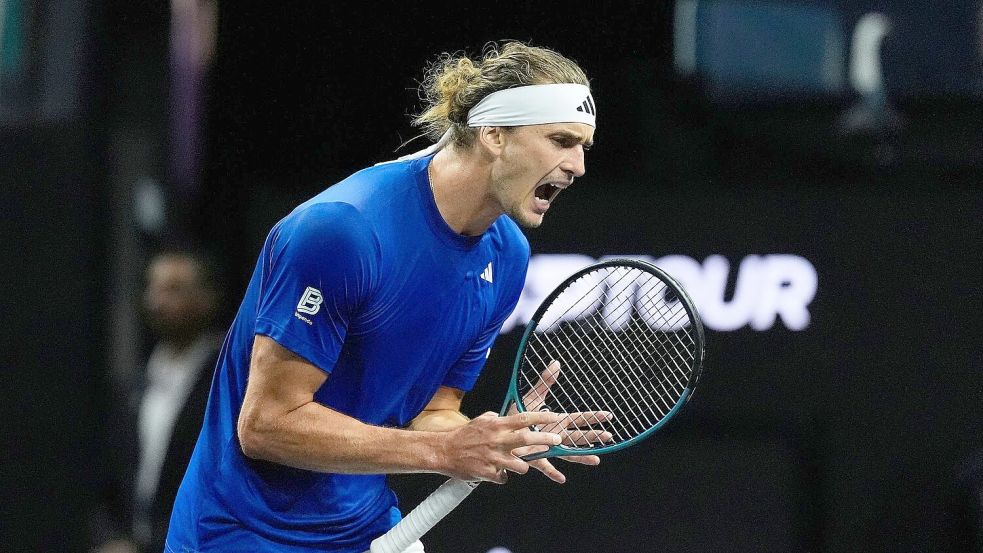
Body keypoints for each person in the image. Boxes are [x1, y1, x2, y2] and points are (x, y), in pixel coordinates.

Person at [165, 41, 603, 553]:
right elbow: (266, 427)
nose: (577, 165)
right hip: (240, 535)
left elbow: (433, 412)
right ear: (494, 135)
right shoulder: (343, 231)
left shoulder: (507, 257)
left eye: (582, 148)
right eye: (560, 141)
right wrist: (444, 453)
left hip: (364, 528)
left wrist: (501, 440)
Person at [91, 250, 224, 553]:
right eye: (153, 288)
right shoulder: (132, 386)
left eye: (174, 289)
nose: (158, 301)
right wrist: (112, 539)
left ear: (206, 299)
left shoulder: (226, 382)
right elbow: (110, 484)